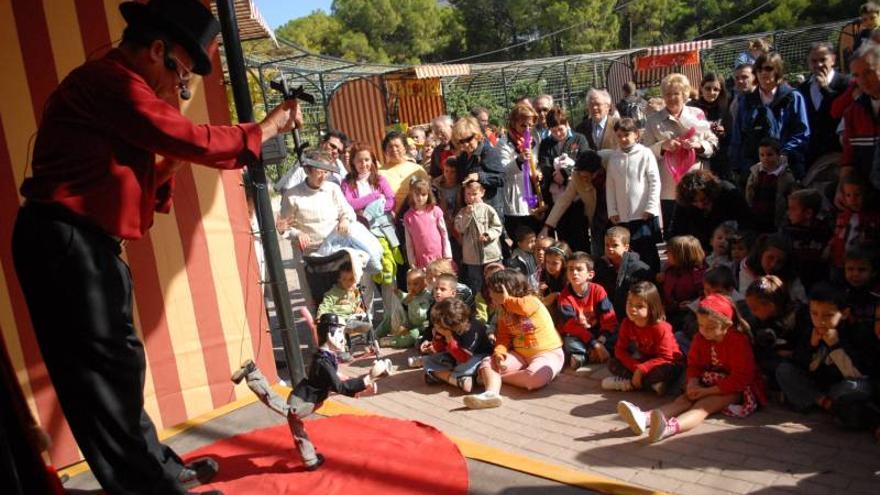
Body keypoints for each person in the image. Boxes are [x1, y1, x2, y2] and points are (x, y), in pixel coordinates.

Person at [10, 1, 303, 493]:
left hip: (81, 245)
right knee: (101, 376)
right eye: (182, 72)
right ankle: (148, 484)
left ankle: (157, 471)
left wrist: (179, 153)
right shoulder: (112, 82)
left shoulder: (118, 90)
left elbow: (155, 166)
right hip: (66, 243)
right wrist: (266, 128)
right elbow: (187, 137)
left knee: (116, 368)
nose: (181, 86)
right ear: (156, 50)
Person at [232, 314, 391, 471]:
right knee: (279, 405)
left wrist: (366, 358)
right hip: (303, 401)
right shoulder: (323, 362)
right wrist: (367, 378)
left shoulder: (325, 355)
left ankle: (310, 460)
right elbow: (341, 387)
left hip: (305, 395)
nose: (344, 339)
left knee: (296, 426)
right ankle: (252, 373)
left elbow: (339, 368)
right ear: (330, 335)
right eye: (341, 333)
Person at [617, 294, 764, 443]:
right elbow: (693, 365)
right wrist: (693, 383)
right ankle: (645, 418)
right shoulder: (700, 338)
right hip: (709, 381)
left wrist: (707, 391)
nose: (704, 331)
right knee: (683, 400)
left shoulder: (738, 341)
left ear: (726, 324)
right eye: (701, 326)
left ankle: (669, 428)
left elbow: (740, 378)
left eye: (711, 327)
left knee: (703, 407)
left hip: (736, 388)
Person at [775, 283, 878, 431]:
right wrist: (811, 345)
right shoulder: (810, 328)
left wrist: (835, 346)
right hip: (817, 383)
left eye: (828, 315)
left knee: (858, 387)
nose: (820, 321)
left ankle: (820, 402)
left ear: (844, 313)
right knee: (784, 370)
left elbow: (857, 374)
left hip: (840, 385)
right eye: (814, 313)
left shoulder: (855, 333)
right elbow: (799, 364)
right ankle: (826, 404)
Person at [463, 269, 565, 409]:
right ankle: (491, 394)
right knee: (488, 362)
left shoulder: (531, 300)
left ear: (505, 289)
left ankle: (497, 378)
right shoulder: (503, 311)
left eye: (492, 290)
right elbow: (503, 337)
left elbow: (523, 308)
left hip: (548, 353)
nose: (490, 294)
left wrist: (507, 300)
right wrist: (499, 353)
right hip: (520, 356)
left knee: (534, 378)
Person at [642, 73, 718, 233]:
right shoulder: (653, 121)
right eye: (667, 94)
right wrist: (663, 146)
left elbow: (713, 143)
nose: (671, 98)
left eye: (675, 93)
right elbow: (645, 153)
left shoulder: (697, 114)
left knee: (702, 230)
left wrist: (698, 145)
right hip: (670, 188)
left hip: (697, 183)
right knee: (676, 234)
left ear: (684, 94)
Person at [729, 52, 810, 179]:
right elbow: (738, 136)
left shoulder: (792, 97)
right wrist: (739, 167)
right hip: (754, 171)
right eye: (759, 69)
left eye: (768, 68)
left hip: (788, 168)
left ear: (777, 70)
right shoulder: (747, 101)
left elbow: (802, 133)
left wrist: (784, 155)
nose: (763, 73)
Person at [601, 282, 683, 395]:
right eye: (629, 303)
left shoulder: (660, 327)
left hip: (666, 362)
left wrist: (641, 370)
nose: (632, 309)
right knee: (612, 363)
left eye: (639, 306)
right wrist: (637, 368)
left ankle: (628, 384)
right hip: (644, 361)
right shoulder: (627, 323)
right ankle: (652, 385)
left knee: (668, 370)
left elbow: (666, 357)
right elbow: (619, 350)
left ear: (651, 308)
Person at [605, 117, 662, 273]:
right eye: (619, 136)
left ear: (636, 134)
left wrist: (650, 207)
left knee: (647, 251)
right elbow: (610, 187)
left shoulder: (645, 153)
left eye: (627, 135)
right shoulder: (614, 158)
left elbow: (654, 182)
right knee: (629, 254)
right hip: (623, 216)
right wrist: (613, 211)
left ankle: (652, 281)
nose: (623, 139)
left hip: (643, 214)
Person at [557, 252, 619, 371]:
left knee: (618, 335)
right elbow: (571, 326)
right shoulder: (564, 297)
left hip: (599, 334)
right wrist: (595, 345)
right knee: (568, 342)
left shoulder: (598, 290)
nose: (574, 273)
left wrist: (600, 341)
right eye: (570, 269)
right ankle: (596, 354)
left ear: (590, 274)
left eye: (579, 269)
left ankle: (584, 357)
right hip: (580, 335)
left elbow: (609, 319)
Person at [540, 150, 605, 256]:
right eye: (582, 176)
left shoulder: (607, 166)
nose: (584, 179)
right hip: (595, 217)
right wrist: (547, 226)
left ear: (597, 172)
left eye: (587, 177)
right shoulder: (577, 176)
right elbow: (564, 200)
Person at [669, 170, 753, 251]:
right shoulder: (684, 202)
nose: (700, 205)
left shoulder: (728, 193)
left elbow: (746, 223)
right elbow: (676, 232)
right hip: (698, 251)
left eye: (704, 200)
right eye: (694, 202)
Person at [423, 298, 492, 393]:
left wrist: (449, 337)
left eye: (438, 326)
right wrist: (436, 338)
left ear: (450, 324)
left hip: (476, 356)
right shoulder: (443, 328)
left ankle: (448, 376)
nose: (435, 327)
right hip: (455, 356)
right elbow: (439, 349)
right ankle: (460, 380)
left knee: (463, 367)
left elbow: (463, 358)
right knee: (428, 360)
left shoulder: (471, 329)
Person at [744, 275, 804, 385]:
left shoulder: (798, 316)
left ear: (771, 306)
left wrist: (792, 354)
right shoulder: (758, 321)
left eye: (755, 309)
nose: (752, 313)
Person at [797, 42, 849, 166]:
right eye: (814, 61)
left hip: (840, 153)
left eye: (823, 60)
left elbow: (841, 112)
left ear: (833, 59)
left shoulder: (845, 83)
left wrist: (826, 89)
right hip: (814, 157)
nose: (818, 65)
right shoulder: (802, 90)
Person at [451, 116, 507, 229]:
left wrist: (479, 176)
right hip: (472, 212)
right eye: (461, 142)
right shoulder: (463, 157)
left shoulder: (488, 152)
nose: (465, 144)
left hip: (490, 212)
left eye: (468, 139)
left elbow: (501, 179)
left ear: (477, 135)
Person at [498, 102, 542, 236]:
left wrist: (538, 172)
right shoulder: (504, 143)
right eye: (523, 125)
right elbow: (503, 170)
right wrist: (519, 160)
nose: (527, 129)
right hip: (515, 199)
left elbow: (537, 163)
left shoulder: (534, 140)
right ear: (513, 123)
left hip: (534, 198)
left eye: (530, 125)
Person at [594, 226, 654, 320]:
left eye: (615, 245)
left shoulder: (639, 268)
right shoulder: (599, 266)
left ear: (626, 247)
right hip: (607, 317)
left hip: (633, 317)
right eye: (607, 245)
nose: (610, 248)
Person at [454, 180, 504, 295]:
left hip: (491, 255)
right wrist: (467, 214)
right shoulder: (462, 212)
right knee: (476, 283)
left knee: (495, 280)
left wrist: (488, 235)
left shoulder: (488, 209)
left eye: (474, 194)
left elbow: (497, 227)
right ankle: (478, 304)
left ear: (482, 192)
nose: (471, 197)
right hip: (472, 259)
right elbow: (459, 228)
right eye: (468, 194)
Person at [779, 188, 832, 291]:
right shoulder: (787, 233)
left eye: (793, 209)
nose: (789, 212)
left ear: (808, 213)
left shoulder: (823, 233)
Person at [827, 174, 880, 273]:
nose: (852, 200)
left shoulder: (873, 218)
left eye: (857, 195)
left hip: (861, 268)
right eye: (848, 195)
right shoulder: (842, 216)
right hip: (839, 264)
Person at [744, 137, 798, 233]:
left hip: (774, 219)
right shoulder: (756, 172)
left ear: (778, 155)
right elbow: (750, 194)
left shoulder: (785, 176)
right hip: (757, 217)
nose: (765, 158)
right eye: (762, 155)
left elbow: (790, 198)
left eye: (769, 155)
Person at [738, 234, 807, 303]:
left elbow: (801, 300)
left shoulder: (790, 276)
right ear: (761, 253)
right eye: (770, 257)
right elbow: (745, 299)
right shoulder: (748, 267)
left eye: (779, 261)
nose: (773, 264)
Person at [688, 73, 733, 180]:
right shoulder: (692, 108)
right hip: (697, 160)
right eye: (708, 88)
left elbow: (732, 135)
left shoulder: (726, 108)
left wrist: (723, 132)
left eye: (716, 89)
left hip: (721, 160)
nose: (711, 92)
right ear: (701, 88)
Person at [275, 129, 349, 191]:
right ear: (322, 143)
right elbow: (287, 190)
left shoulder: (338, 165)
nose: (335, 151)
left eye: (339, 151)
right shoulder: (306, 163)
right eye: (332, 146)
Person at [376, 268, 432, 349]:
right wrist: (399, 293)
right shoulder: (413, 295)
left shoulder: (427, 297)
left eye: (415, 284)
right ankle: (376, 335)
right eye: (409, 284)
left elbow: (421, 316)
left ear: (425, 284)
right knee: (390, 316)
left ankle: (392, 341)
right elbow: (405, 297)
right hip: (409, 321)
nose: (411, 287)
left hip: (421, 326)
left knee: (413, 336)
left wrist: (412, 301)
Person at [403, 179, 452, 270]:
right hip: (421, 260)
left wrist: (447, 255)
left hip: (438, 257)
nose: (420, 198)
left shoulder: (435, 211)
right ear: (412, 195)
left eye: (423, 194)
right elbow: (409, 242)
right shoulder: (408, 217)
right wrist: (412, 262)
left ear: (428, 195)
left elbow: (444, 234)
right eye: (417, 194)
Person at [659, 235, 707, 329]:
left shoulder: (699, 274)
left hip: (688, 314)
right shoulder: (668, 269)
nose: (666, 255)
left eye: (669, 253)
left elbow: (704, 295)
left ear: (681, 256)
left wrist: (691, 304)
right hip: (669, 310)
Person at [574, 89, 620, 153]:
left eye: (598, 104)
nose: (594, 108)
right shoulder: (580, 128)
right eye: (591, 104)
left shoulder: (618, 125)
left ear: (608, 107)